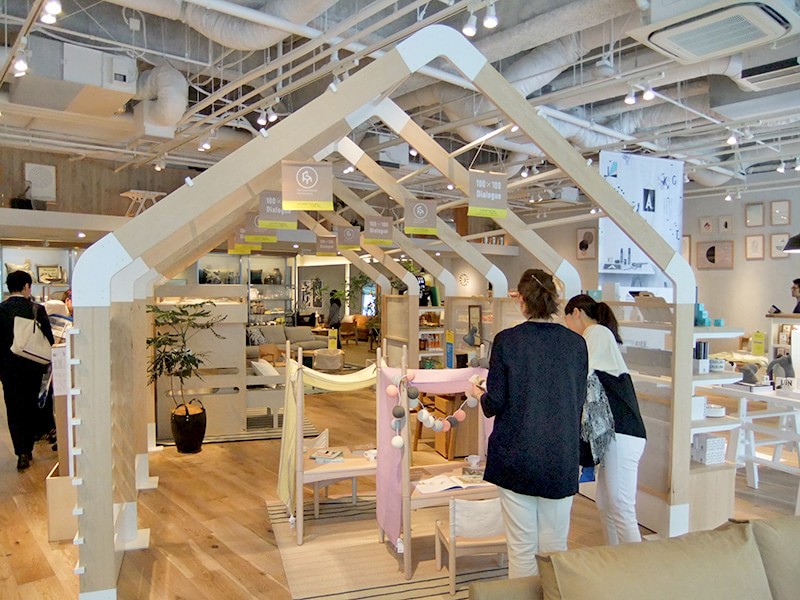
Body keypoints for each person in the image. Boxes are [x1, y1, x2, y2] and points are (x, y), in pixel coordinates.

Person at [472, 269, 588, 577]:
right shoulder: (576, 344)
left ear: (521, 300)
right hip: (561, 456)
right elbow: (578, 400)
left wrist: (479, 393)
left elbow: (495, 402)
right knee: (554, 549)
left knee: (521, 548)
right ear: (554, 300)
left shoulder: (507, 341)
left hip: (517, 455)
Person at [564, 294, 647, 545]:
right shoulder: (599, 336)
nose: (568, 328)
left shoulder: (597, 333)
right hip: (616, 434)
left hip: (623, 433)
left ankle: (640, 563)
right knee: (606, 505)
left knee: (621, 507)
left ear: (576, 313)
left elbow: (579, 372)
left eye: (567, 320)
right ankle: (613, 558)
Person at [0, 270, 55, 471]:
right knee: (31, 406)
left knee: (14, 408)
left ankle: (21, 452)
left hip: (8, 368)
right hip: (32, 366)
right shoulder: (36, 309)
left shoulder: (1, 309)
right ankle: (30, 445)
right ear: (26, 286)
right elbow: (49, 339)